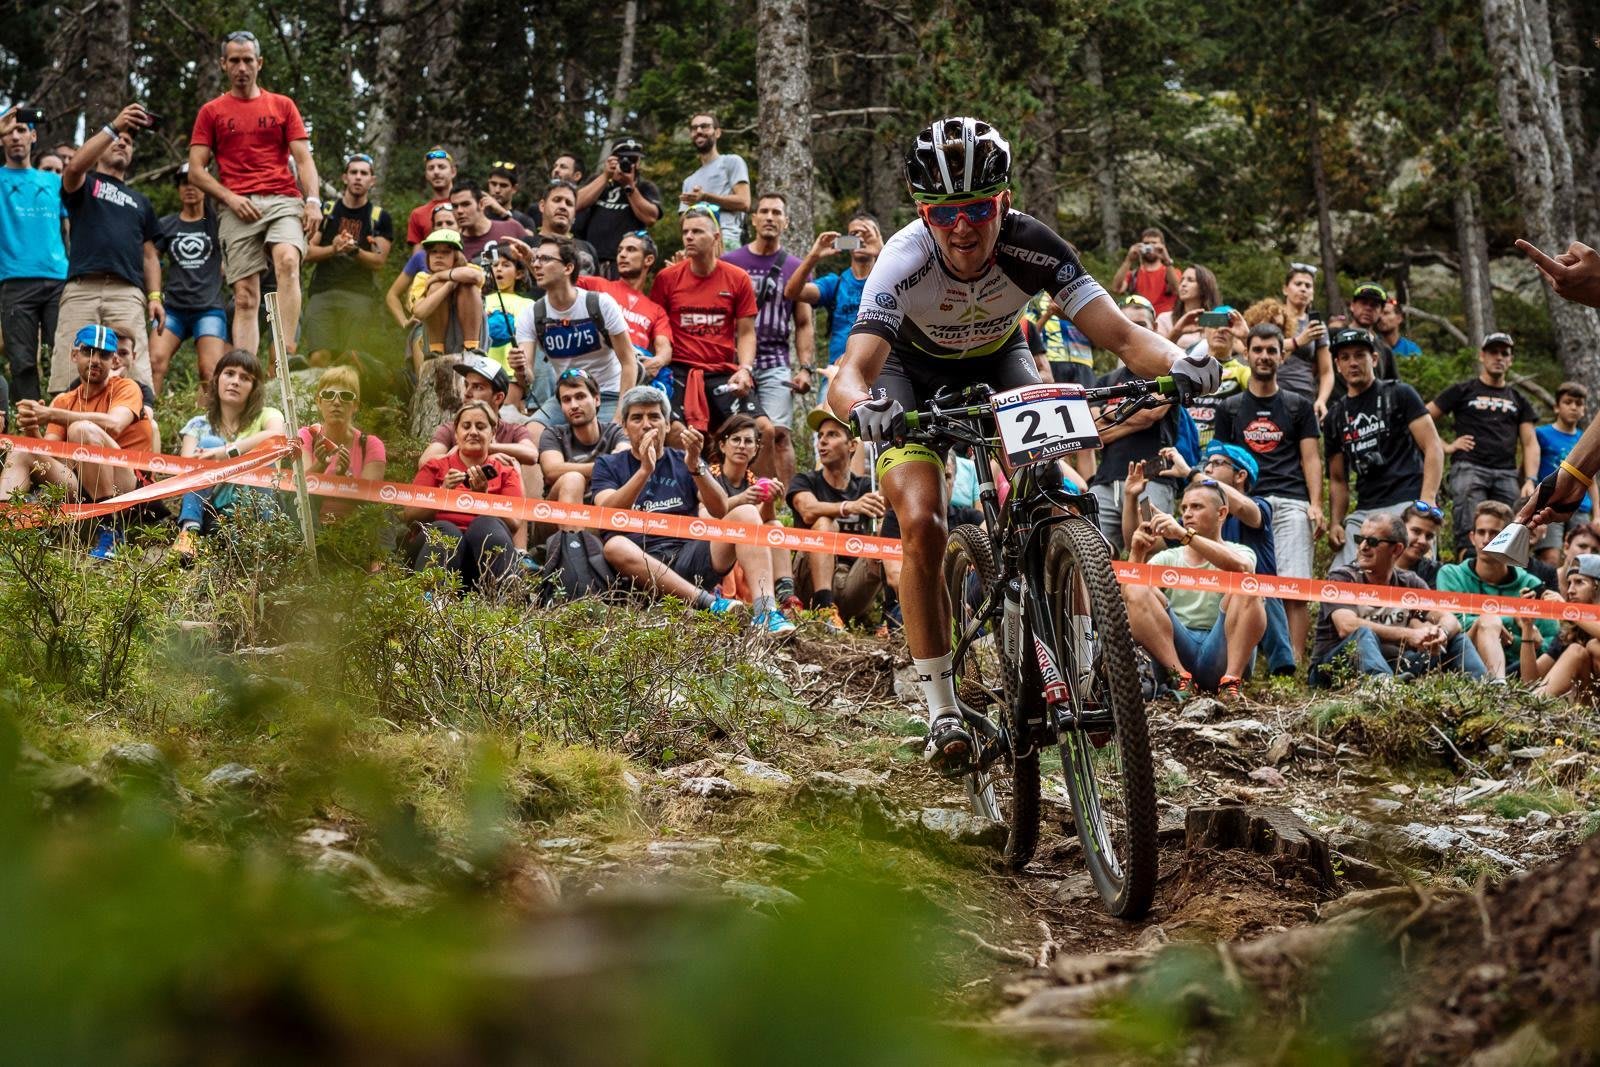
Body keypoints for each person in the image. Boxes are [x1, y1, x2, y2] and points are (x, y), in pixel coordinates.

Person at [826, 116, 1220, 769]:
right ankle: (941, 709)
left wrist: (1184, 361)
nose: (962, 227)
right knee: (921, 520)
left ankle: (1084, 660)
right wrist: (864, 408)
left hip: (999, 359)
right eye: (943, 212)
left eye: (979, 209)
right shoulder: (902, 258)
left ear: (1004, 201)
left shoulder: (1034, 244)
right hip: (908, 374)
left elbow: (1123, 337)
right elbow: (852, 371)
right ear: (923, 213)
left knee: (1059, 491)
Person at [592, 385, 796, 636]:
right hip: (640, 563)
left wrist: (695, 466)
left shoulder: (683, 459)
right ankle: (709, 603)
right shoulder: (608, 464)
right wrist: (645, 470)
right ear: (624, 427)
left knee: (746, 513)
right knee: (614, 545)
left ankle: (766, 612)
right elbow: (606, 513)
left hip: (688, 555)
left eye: (654, 416)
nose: (646, 425)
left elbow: (720, 508)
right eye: (637, 418)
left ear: (667, 425)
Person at [187, 30, 320, 359]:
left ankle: (284, 353)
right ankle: (246, 369)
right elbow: (196, 170)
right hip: (237, 204)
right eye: (234, 61)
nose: (242, 67)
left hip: (282, 198)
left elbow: (304, 159)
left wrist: (313, 201)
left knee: (288, 261)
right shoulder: (212, 111)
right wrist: (230, 198)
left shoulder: (282, 105)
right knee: (246, 296)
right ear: (223, 64)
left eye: (248, 60)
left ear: (259, 63)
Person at [1213, 322, 1322, 658]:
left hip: (1291, 500)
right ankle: (1244, 656)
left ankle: (1295, 659)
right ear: (1246, 354)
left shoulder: (1299, 405)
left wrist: (1316, 504)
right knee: (1243, 579)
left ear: (1282, 356)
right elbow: (1220, 459)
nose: (1264, 356)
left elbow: (1311, 458)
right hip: (1246, 503)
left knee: (1294, 582)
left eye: (1271, 350)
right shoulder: (1229, 407)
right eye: (1257, 350)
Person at [49, 105, 161, 395]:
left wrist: (155, 297)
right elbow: (74, 168)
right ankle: (62, 423)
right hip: (82, 288)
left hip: (127, 292)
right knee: (68, 371)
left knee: (135, 375)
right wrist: (114, 126)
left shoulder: (141, 202)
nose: (122, 142)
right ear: (99, 147)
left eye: (129, 142)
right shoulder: (85, 185)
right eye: (117, 139)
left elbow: (150, 255)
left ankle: (138, 422)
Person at [1123, 481, 1266, 699]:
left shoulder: (1240, 551)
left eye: (1197, 507)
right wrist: (1137, 553)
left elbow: (1243, 567)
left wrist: (1184, 535)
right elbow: (1129, 597)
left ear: (1221, 513)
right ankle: (1181, 678)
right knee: (1137, 586)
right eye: (1184, 508)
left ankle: (1231, 682)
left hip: (1222, 653)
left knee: (1248, 584)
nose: (1187, 514)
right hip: (1176, 653)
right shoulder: (1168, 557)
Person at [1308, 513, 1484, 687]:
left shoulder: (1410, 582)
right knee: (1363, 634)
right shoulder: (1342, 578)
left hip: (1395, 667)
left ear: (1396, 549)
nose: (1363, 547)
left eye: (1372, 542)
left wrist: (1441, 634)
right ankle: (1383, 687)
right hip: (1332, 668)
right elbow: (1346, 626)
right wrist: (1409, 635)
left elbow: (1450, 619)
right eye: (1360, 539)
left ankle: (1485, 686)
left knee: (1457, 639)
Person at [1323, 327, 1444, 565]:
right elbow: (1338, 479)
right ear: (1337, 365)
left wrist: (1427, 499)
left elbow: (1433, 446)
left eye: (1360, 355)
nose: (1353, 363)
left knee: (1407, 572)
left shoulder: (1400, 394)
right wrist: (1336, 522)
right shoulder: (1335, 417)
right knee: (1341, 576)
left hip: (1408, 501)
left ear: (1374, 359)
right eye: (1345, 357)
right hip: (1365, 510)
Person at [0, 326, 156, 503]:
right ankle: (5, 516)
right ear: (75, 355)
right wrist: (32, 427)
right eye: (88, 351)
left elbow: (114, 424)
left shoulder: (127, 387)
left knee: (81, 429)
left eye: (104, 355)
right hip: (81, 486)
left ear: (113, 361)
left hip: (129, 486)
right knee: (21, 451)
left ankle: (105, 519)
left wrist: (51, 414)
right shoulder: (63, 400)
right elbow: (50, 455)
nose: (95, 360)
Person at [722, 192, 815, 484]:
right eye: (764, 211)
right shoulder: (731, 262)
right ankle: (740, 493)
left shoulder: (795, 267)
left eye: (777, 213)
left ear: (786, 222)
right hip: (734, 360)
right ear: (753, 219)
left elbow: (803, 323)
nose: (770, 218)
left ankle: (786, 500)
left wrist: (805, 368)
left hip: (776, 360)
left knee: (779, 434)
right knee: (734, 431)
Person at [650, 206, 765, 433]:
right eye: (685, 232)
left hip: (721, 370)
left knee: (762, 429)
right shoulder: (667, 278)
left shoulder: (737, 278)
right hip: (679, 369)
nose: (689, 237)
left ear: (716, 237)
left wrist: (745, 369)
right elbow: (656, 326)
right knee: (675, 432)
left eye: (697, 231)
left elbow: (746, 332)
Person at [1426, 331, 1539, 555]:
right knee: (1469, 531)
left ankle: (1502, 575)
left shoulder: (1518, 399)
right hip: (1469, 468)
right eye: (1493, 352)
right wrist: (1446, 446)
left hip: (1506, 473)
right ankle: (1466, 569)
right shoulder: (1463, 390)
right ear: (1482, 356)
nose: (1499, 357)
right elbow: (1423, 418)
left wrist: (1530, 479)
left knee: (1509, 534)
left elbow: (1530, 443)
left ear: (1510, 360)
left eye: (1504, 353)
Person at [1087, 298, 1183, 554]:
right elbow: (1095, 434)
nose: (1135, 330)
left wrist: (1110, 414)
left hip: (1152, 479)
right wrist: (1136, 417)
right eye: (1128, 323)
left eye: (1141, 324)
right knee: (1095, 554)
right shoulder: (1104, 381)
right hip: (1105, 482)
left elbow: (1152, 413)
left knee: (1148, 548)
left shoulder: (1167, 373)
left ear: (1155, 329)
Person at [170, 348, 284, 561]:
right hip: (212, 512)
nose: (235, 382)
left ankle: (265, 537)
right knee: (209, 442)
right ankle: (189, 533)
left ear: (254, 388)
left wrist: (227, 453)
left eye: (245, 378)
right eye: (229, 373)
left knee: (263, 454)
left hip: (254, 511)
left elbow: (277, 436)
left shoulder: (268, 415)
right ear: (217, 379)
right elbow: (185, 472)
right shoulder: (198, 425)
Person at [403, 400, 523, 597]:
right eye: (466, 426)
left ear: (493, 433)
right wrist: (443, 493)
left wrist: (483, 498)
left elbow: (515, 522)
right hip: (434, 550)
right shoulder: (434, 467)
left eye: (480, 427)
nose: (473, 432)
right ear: (456, 433)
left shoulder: (506, 472)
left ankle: (508, 597)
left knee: (485, 525)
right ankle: (429, 603)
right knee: (447, 530)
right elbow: (410, 515)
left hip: (480, 558)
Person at [514, 234, 635, 426]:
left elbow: (629, 362)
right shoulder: (531, 314)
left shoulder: (600, 304)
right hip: (565, 397)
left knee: (605, 439)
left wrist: (620, 417)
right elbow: (527, 378)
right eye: (536, 258)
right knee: (532, 433)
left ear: (568, 268)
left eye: (545, 259)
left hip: (609, 394)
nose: (536, 264)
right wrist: (520, 369)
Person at [787, 406, 888, 630]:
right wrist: (848, 506)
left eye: (832, 435)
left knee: (885, 532)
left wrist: (883, 515)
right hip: (808, 582)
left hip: (852, 581)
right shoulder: (806, 480)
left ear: (852, 445)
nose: (822, 441)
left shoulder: (865, 486)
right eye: (820, 436)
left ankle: (891, 618)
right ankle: (824, 609)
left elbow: (886, 523)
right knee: (824, 522)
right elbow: (808, 510)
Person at [420, 355, 542, 535]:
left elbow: (532, 455)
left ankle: (520, 547)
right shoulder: (450, 428)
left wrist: (487, 450)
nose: (467, 393)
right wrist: (467, 450)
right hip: (450, 517)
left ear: (498, 397)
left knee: (513, 464)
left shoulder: (513, 429)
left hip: (498, 518)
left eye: (477, 387)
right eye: (466, 385)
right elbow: (426, 462)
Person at [1436, 500, 1557, 681]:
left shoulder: (1532, 584)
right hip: (1464, 662)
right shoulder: (1451, 574)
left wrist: (1521, 640)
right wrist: (1513, 622)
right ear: (1472, 537)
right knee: (1488, 620)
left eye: (1495, 533)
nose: (1486, 539)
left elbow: (1551, 641)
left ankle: (1498, 683)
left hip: (1519, 669)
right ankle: (1498, 685)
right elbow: (1456, 623)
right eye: (1481, 532)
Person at [0, 105, 67, 402]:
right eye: (9, 132)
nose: (15, 136)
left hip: (58, 280)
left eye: (22, 130)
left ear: (33, 136)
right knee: (23, 362)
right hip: (15, 281)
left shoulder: (53, 181)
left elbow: (69, 228)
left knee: (63, 357)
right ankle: (29, 425)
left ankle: (63, 422)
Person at [302, 153, 394, 366]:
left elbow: (379, 261)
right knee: (319, 356)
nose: (358, 177)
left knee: (352, 360)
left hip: (360, 295)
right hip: (323, 292)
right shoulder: (326, 211)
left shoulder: (379, 217)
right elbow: (306, 252)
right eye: (353, 172)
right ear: (345, 177)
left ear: (372, 180)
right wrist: (333, 249)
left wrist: (354, 251)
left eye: (364, 173)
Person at [782, 214, 882, 407]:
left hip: (883, 371)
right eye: (854, 234)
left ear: (878, 237)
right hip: (838, 372)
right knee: (825, 422)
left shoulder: (890, 279)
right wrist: (814, 256)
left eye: (867, 233)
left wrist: (883, 252)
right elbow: (792, 292)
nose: (860, 238)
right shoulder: (835, 283)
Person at [150, 164, 227, 397]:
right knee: (154, 362)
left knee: (210, 371)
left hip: (209, 308)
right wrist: (154, 296)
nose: (190, 188)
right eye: (184, 183)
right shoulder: (166, 224)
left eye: (195, 182)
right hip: (173, 309)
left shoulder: (216, 223)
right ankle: (148, 414)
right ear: (178, 189)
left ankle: (210, 418)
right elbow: (150, 258)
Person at [706, 414, 793, 611]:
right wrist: (742, 499)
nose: (741, 446)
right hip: (714, 550)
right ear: (722, 446)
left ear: (756, 449)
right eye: (736, 439)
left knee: (775, 526)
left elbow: (763, 522)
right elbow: (704, 517)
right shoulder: (709, 476)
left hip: (749, 551)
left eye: (748, 441)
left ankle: (786, 598)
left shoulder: (755, 481)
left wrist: (769, 500)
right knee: (746, 517)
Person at [577, 231, 673, 391]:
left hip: (635, 372)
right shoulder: (597, 285)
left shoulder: (656, 310)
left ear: (648, 260)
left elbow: (665, 350)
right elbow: (560, 282)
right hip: (598, 366)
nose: (622, 255)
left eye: (631, 249)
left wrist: (655, 363)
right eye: (620, 250)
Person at [298, 364, 387, 524]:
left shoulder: (371, 445)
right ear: (319, 401)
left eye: (345, 396)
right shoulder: (307, 436)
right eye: (329, 395)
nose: (337, 402)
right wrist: (320, 465)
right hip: (311, 526)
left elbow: (369, 503)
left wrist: (345, 477)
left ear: (355, 405)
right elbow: (298, 489)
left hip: (354, 530)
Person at [538, 367, 626, 512]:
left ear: (597, 399)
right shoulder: (554, 434)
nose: (574, 406)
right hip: (555, 515)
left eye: (580, 397)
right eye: (566, 400)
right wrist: (605, 466)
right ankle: (572, 529)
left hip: (603, 512)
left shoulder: (615, 432)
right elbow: (551, 471)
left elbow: (624, 460)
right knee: (573, 479)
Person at [574, 138, 663, 276]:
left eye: (633, 160)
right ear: (611, 159)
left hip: (624, 263)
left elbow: (650, 218)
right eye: (622, 159)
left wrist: (630, 186)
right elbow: (575, 204)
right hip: (591, 258)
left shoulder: (645, 187)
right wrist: (606, 176)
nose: (627, 163)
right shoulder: (597, 181)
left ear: (638, 163)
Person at [1531, 382, 1597, 566]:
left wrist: (1597, 513)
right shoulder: (1541, 434)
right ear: (1556, 407)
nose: (1574, 407)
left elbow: (1591, 478)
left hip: (1581, 507)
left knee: (1581, 560)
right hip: (1549, 505)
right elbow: (1531, 465)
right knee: (1550, 556)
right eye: (1568, 402)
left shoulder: (1586, 438)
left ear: (1584, 409)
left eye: (1579, 403)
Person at [1519, 554, 1600, 699]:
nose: (1570, 591)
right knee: (1576, 651)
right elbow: (1530, 681)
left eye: (1579, 582)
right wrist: (1527, 626)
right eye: (1569, 583)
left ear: (1597, 587)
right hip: (1586, 704)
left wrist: (1567, 611)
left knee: (1593, 646)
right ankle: (1534, 705)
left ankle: (1535, 705)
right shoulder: (1571, 631)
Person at [406, 229, 485, 355]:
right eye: (433, 252)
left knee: (468, 286)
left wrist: (438, 276)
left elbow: (474, 276)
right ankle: (436, 351)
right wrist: (449, 285)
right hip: (434, 340)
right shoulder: (423, 278)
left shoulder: (470, 269)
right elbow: (420, 312)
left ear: (457, 256)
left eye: (446, 252)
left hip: (472, 339)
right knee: (435, 287)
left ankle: (471, 348)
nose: (438, 256)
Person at [679, 113, 750, 249]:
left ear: (717, 133)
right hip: (697, 243)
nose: (698, 131)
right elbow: (683, 221)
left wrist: (705, 197)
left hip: (727, 241)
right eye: (694, 128)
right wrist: (690, 210)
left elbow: (744, 202)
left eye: (704, 126)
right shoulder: (689, 181)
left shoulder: (731, 162)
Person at [1183, 307, 1250, 446]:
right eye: (1214, 323)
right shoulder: (1187, 368)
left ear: (1235, 335)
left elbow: (1263, 388)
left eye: (1227, 325)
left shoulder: (1241, 372)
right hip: (1184, 449)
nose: (1220, 330)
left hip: (1220, 450)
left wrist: (1246, 337)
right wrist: (1176, 332)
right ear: (1204, 330)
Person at [1277, 264, 1332, 418]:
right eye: (1298, 284)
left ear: (1312, 294)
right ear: (1285, 289)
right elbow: (1262, 345)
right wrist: (1299, 341)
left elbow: (1327, 371)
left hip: (1304, 394)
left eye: (1308, 286)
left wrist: (1321, 400)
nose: (1303, 289)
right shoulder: (1273, 316)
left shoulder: (1316, 325)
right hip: (1272, 389)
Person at [449, 179, 526, 261]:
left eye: (466, 204)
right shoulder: (454, 245)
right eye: (455, 206)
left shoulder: (512, 228)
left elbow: (532, 261)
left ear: (481, 204)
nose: (459, 211)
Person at [1110, 227, 1179, 317]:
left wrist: (1167, 260)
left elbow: (1176, 290)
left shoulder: (1171, 272)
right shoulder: (1134, 275)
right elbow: (1116, 289)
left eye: (1154, 243)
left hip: (1164, 321)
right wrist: (1128, 260)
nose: (1150, 247)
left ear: (1162, 246)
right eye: (1146, 243)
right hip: (1141, 321)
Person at [1155, 264, 1220, 350]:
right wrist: (1176, 333)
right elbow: (1157, 352)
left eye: (1190, 280)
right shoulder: (1164, 319)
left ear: (1204, 287)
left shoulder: (1216, 321)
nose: (1183, 284)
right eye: (1182, 280)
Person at [1344, 281, 1399, 381]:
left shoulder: (1385, 350)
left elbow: (1392, 385)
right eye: (1363, 303)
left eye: (1374, 305)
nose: (1368, 308)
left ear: (1381, 311)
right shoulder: (1332, 337)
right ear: (1352, 306)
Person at [404, 147, 457, 247]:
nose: (436, 172)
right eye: (431, 168)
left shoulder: (467, 206)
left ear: (453, 172)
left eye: (441, 167)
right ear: (426, 175)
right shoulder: (418, 214)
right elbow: (418, 254)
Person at [1395, 501, 1446, 585]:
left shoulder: (1436, 573)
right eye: (1416, 531)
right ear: (1400, 528)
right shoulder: (1375, 562)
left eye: (1429, 536)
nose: (1422, 541)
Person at [483, 160, 538, 233]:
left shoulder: (524, 221)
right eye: (493, 184)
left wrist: (503, 213)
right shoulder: (479, 215)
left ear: (514, 189)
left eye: (503, 185)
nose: (497, 190)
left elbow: (528, 238)